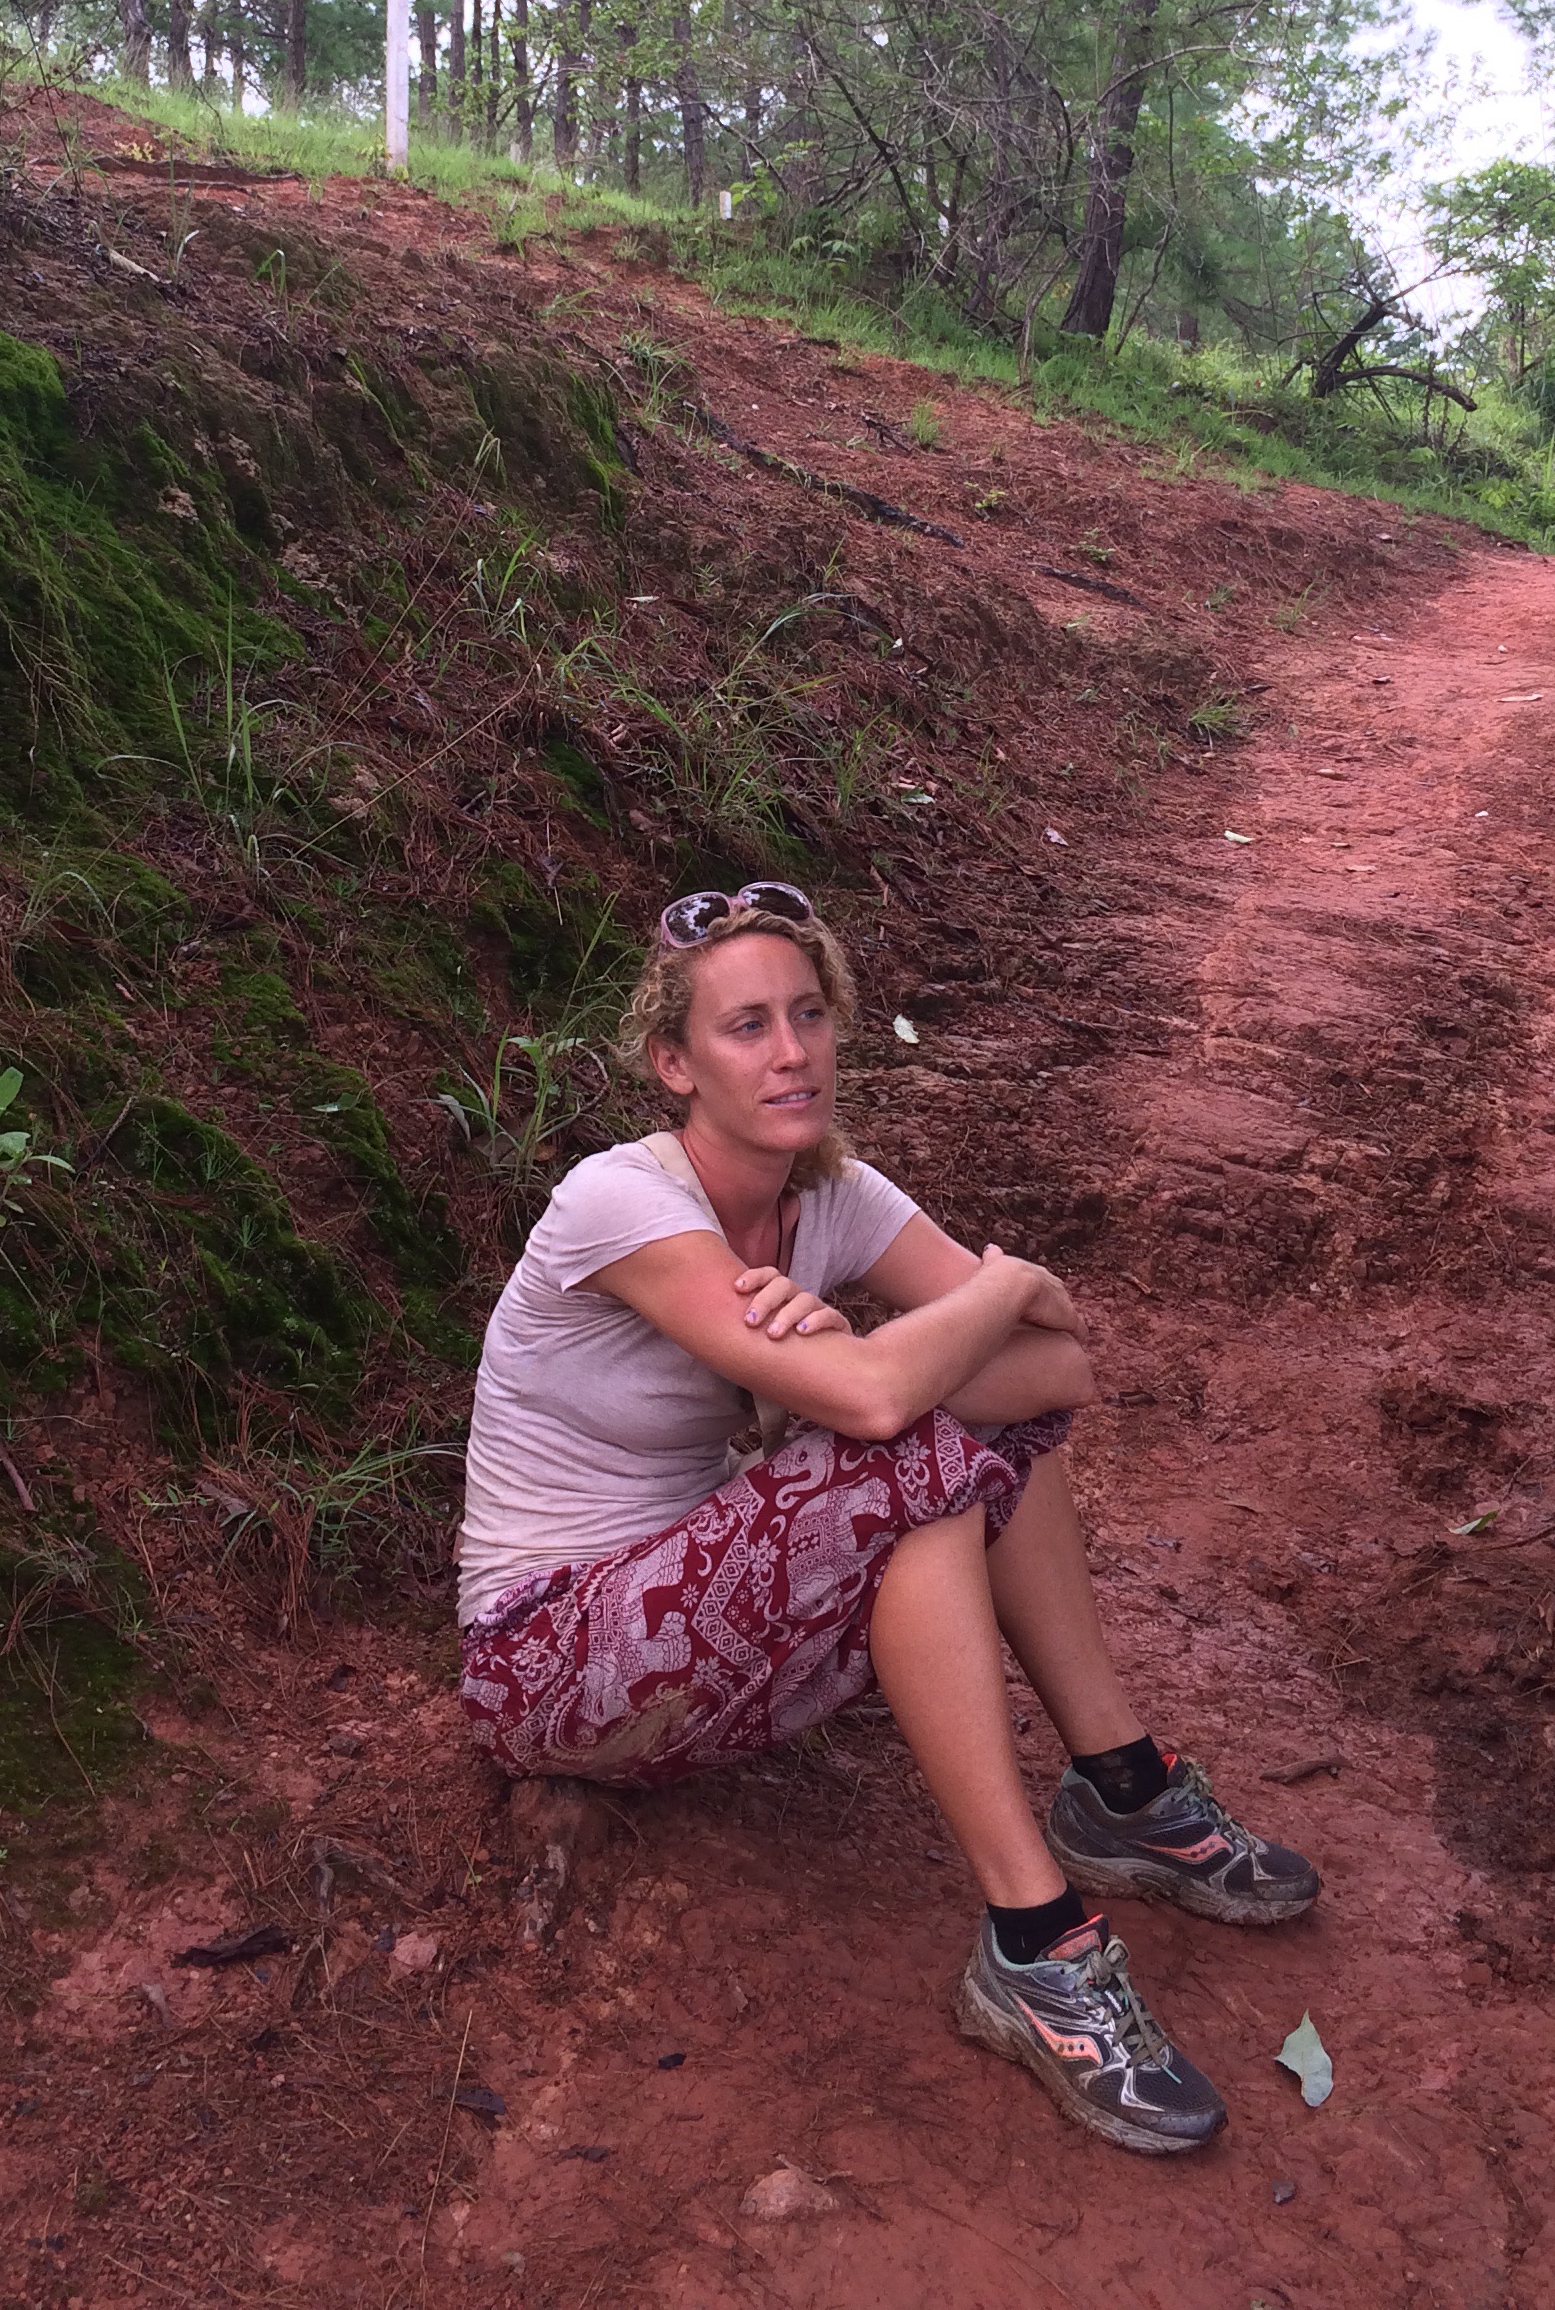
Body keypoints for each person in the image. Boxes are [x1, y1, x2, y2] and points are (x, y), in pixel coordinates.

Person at [455, 882, 1319, 2155]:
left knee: (964, 1431)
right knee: (905, 1443)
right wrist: (999, 1291)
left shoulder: (839, 1197)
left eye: (808, 1014)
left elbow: (1059, 1374)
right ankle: (1035, 1944)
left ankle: (1122, 1788)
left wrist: (891, 1349)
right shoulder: (619, 1201)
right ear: (674, 1064)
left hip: (708, 1633)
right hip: (549, 1661)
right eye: (746, 1026)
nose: (790, 1051)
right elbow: (894, 1393)